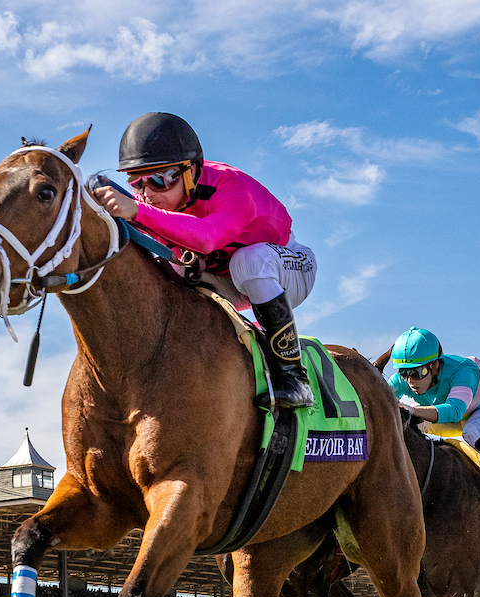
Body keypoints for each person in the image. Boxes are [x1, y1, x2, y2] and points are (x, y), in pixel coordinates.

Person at [93, 112, 317, 409]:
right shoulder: (153, 200)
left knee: (248, 261)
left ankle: (294, 377)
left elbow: (208, 238)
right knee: (170, 269)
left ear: (191, 171)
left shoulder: (232, 187)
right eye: (137, 183)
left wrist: (136, 210)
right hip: (227, 279)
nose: (147, 194)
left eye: (160, 180)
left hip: (290, 269)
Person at [388, 327, 480, 520]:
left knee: (472, 432)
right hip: (450, 418)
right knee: (408, 424)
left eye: (417, 372)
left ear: (435, 365)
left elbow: (455, 410)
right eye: (403, 373)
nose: (410, 381)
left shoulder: (463, 370)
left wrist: (411, 409)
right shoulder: (403, 380)